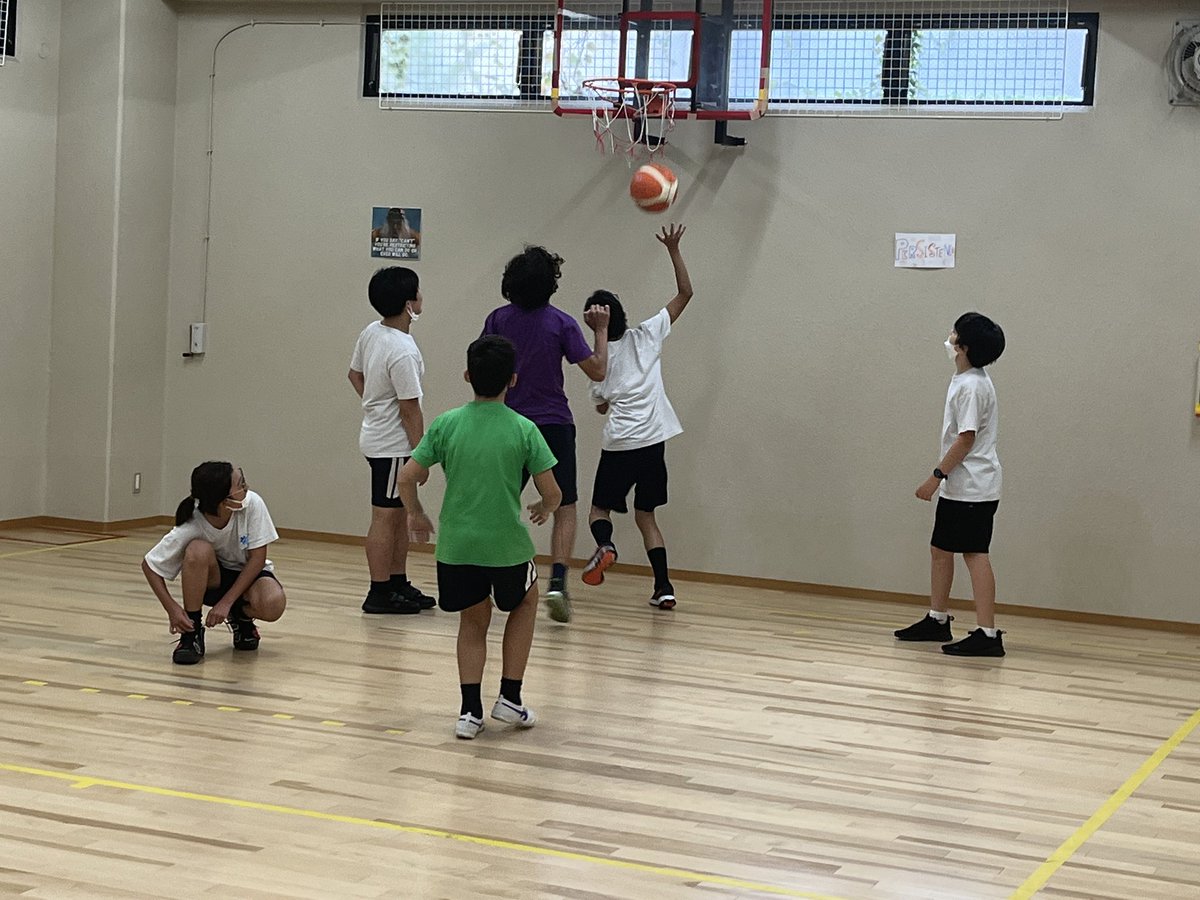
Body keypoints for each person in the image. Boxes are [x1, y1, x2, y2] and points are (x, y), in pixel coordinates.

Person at [398, 335, 561, 739]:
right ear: (513, 380)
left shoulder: (446, 424)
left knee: (472, 621)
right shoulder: (525, 429)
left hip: (457, 548)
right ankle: (510, 696)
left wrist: (415, 513)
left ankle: (470, 713)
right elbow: (554, 493)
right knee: (526, 600)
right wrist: (545, 507)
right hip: (506, 548)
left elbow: (407, 477)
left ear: (468, 376)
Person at [481, 246, 609, 623]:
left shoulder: (497, 319)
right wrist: (601, 331)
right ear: (549, 284)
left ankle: (490, 577)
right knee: (564, 506)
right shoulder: (561, 323)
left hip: (507, 423)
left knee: (499, 504)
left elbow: (481, 364)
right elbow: (598, 371)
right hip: (553, 425)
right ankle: (557, 584)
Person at [579, 224, 692, 610]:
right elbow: (685, 293)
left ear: (593, 322)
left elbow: (600, 404)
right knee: (647, 516)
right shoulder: (647, 335)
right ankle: (664, 587)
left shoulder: (596, 361)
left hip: (620, 445)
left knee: (599, 510)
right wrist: (673, 250)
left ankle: (606, 545)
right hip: (653, 442)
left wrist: (600, 336)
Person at [895, 312, 1007, 657]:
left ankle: (988, 634)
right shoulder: (965, 380)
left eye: (955, 333)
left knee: (974, 553)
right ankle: (937, 619)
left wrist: (935, 477)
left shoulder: (972, 386)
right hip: (960, 487)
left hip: (974, 487)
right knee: (941, 549)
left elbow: (965, 439)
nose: (949, 336)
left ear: (964, 347)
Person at [348, 266, 436, 615]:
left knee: (398, 516)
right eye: (418, 291)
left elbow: (355, 375)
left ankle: (397, 582)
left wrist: (373, 406)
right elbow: (409, 409)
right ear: (409, 304)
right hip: (393, 447)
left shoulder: (372, 332)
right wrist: (422, 456)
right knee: (385, 518)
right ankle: (379, 591)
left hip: (380, 439)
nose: (421, 295)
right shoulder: (402, 350)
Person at [141, 462, 287, 665]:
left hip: (248, 577)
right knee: (197, 550)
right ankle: (191, 633)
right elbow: (150, 565)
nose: (246, 487)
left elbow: (257, 559)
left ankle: (241, 617)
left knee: (273, 603)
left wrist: (226, 604)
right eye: (240, 485)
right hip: (213, 581)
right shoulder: (192, 523)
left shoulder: (253, 503)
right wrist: (172, 609)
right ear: (223, 501)